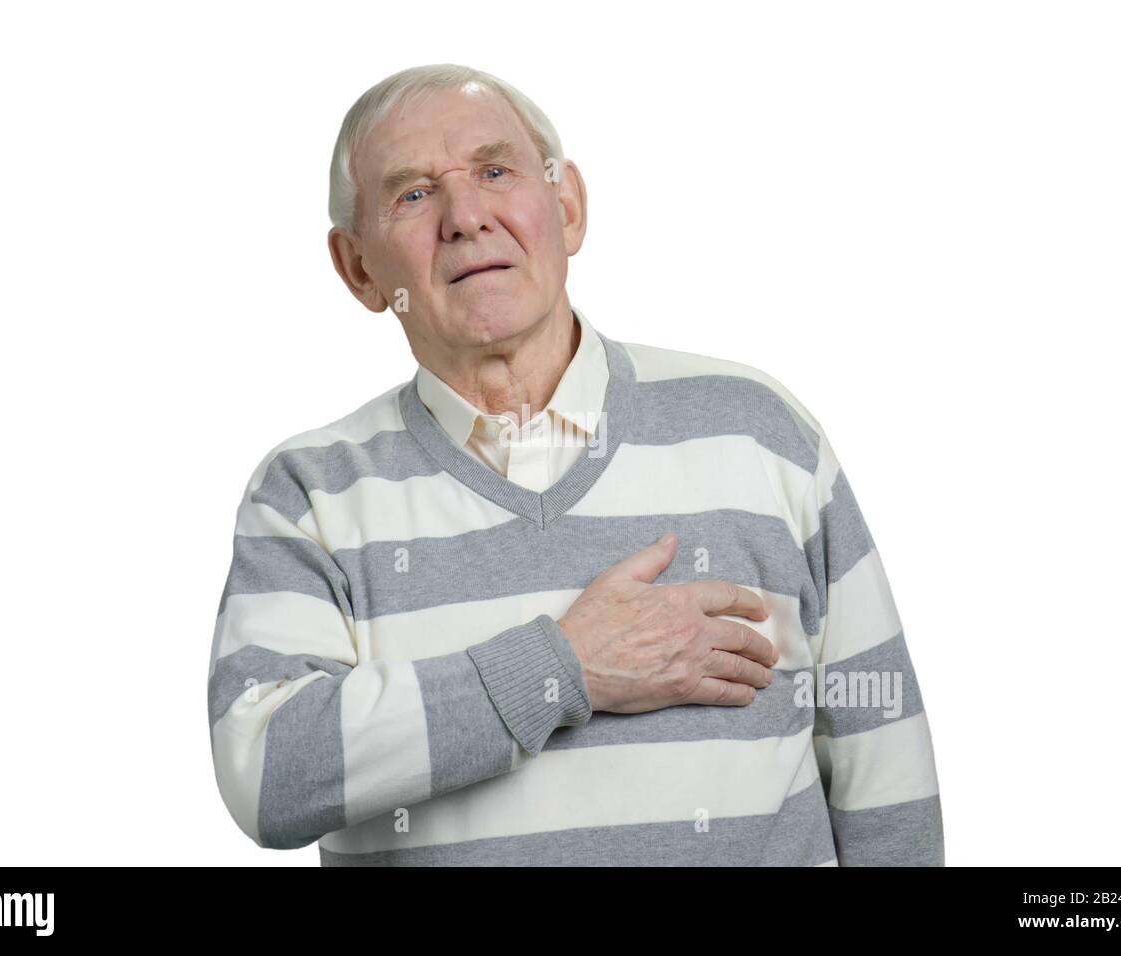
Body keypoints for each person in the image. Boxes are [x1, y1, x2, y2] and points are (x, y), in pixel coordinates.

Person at [207, 63, 943, 866]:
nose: (466, 217)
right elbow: (271, 774)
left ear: (567, 206)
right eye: (413, 193)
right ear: (358, 268)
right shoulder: (309, 494)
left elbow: (885, 772)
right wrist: (565, 667)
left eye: (495, 171)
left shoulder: (758, 433)